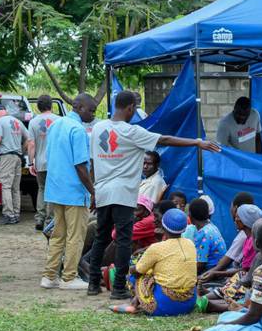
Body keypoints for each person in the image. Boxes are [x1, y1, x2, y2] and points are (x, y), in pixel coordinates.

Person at [88, 90, 220, 301]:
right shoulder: (131, 132)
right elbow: (165, 139)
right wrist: (196, 142)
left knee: (101, 236)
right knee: (124, 239)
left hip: (103, 191)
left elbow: (93, 162)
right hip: (122, 193)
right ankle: (119, 287)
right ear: (131, 107)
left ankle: (93, 283)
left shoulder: (97, 129)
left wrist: (94, 190)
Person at [40, 93, 97, 290]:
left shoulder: (55, 125)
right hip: (74, 192)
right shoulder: (78, 130)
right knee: (75, 236)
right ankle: (69, 277)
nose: (92, 115)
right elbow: (81, 166)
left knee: (58, 234)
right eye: (91, 110)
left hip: (55, 189)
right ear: (79, 108)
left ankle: (49, 276)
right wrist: (93, 191)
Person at [114, 209, 198, 316]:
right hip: (189, 304)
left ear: (163, 227)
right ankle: (135, 302)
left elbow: (137, 271)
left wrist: (132, 268)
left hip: (164, 306)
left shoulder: (156, 248)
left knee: (139, 275)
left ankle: (134, 304)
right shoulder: (190, 244)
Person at [0, 107, 28, 225]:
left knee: (5, 186)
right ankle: (16, 214)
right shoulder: (17, 121)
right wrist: (22, 150)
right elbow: (29, 139)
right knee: (15, 188)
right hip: (17, 157)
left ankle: (8, 215)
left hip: (6, 157)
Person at [27, 95, 60, 226]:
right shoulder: (59, 121)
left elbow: (31, 144)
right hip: (56, 163)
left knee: (42, 189)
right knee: (53, 190)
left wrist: (31, 162)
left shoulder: (33, 122)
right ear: (51, 105)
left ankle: (39, 218)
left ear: (38, 107)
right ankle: (50, 219)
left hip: (40, 162)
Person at [181, 197, 227, 275]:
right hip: (220, 268)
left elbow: (200, 264)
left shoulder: (203, 234)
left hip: (211, 271)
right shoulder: (211, 226)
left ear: (191, 215)